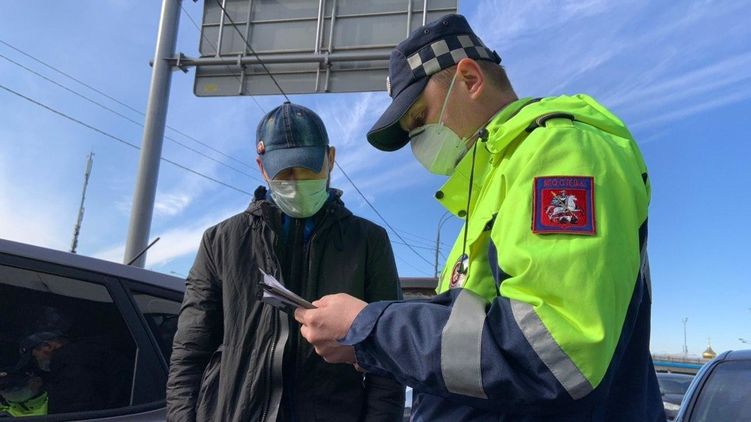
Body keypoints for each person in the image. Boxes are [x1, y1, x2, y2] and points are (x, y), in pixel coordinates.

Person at [296, 14, 664, 421]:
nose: (417, 142)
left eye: (419, 119)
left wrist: (371, 328)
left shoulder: (562, 151)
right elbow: (469, 351)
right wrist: (373, 348)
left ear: (470, 79)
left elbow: (550, 353)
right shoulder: (494, 186)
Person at [166, 102, 405, 422]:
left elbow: (387, 355)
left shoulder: (368, 241)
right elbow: (189, 352)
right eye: (284, 172)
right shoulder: (219, 241)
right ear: (262, 168)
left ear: (331, 158)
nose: (297, 180)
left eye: (309, 167)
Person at [16, 331, 130, 414]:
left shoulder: (72, 363)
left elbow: (74, 408)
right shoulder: (86, 353)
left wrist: (40, 392)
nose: (36, 365)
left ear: (47, 346)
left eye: (33, 359)